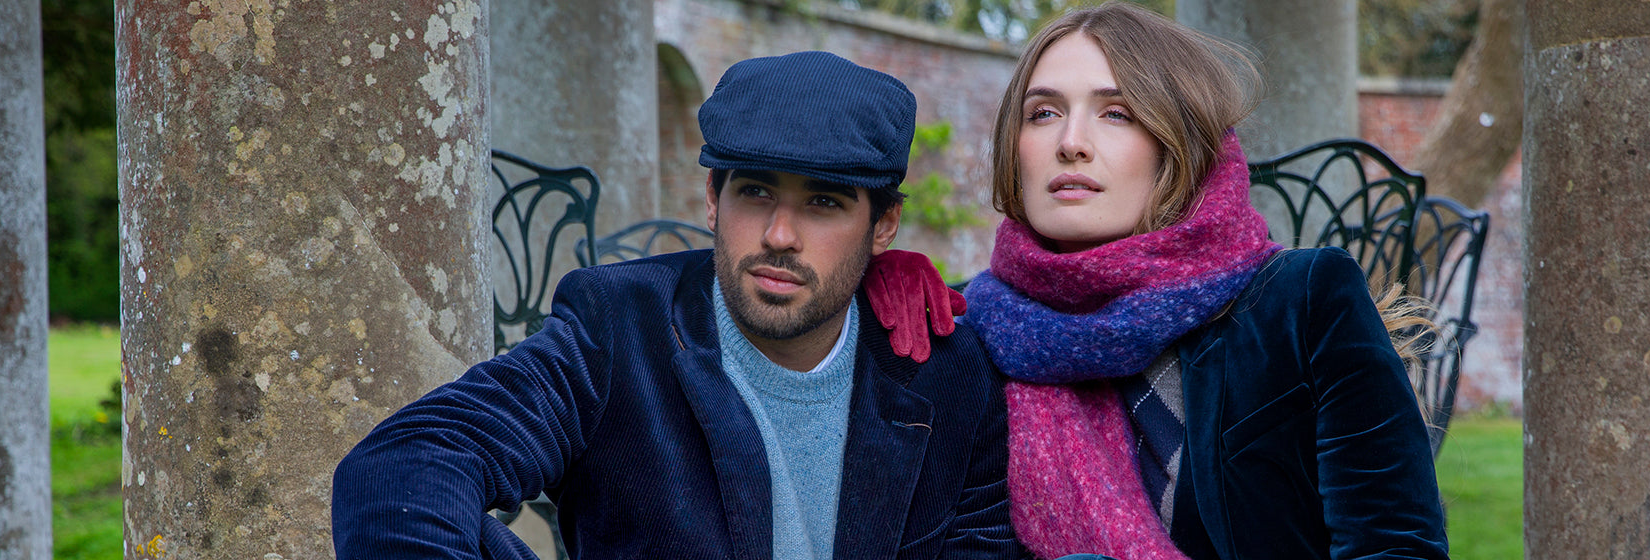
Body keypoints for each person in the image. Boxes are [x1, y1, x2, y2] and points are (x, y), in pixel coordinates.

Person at [333, 51, 1021, 560]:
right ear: (712, 199)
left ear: (883, 226)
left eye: (823, 202)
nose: (780, 236)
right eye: (755, 193)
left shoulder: (952, 374)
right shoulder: (618, 327)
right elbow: (411, 460)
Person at [865, 4, 1448, 559]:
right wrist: (855, 296)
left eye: (1116, 113)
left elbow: (1395, 545)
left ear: (1178, 142)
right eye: (1043, 112)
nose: (1071, 142)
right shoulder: (967, 324)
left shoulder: (1301, 302)